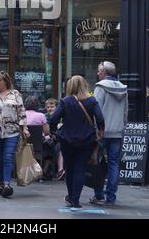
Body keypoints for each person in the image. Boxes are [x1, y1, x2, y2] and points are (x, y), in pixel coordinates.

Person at [50, 75, 105, 209]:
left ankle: (70, 196)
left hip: (67, 140)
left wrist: (53, 132)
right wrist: (101, 132)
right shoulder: (92, 101)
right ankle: (75, 199)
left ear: (70, 86)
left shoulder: (65, 101)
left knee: (69, 168)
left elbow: (53, 119)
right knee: (80, 169)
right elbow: (100, 118)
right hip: (86, 140)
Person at [0, 70, 30, 197]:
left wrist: (25, 128)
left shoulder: (15, 94)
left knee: (8, 156)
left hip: (12, 131)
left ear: (6, 81)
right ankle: (0, 183)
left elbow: (22, 112)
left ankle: (6, 184)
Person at [89, 61, 128, 206]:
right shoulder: (123, 88)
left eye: (99, 71)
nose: (98, 73)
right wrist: (122, 127)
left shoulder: (100, 87)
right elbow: (125, 112)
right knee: (113, 164)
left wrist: (95, 129)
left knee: (97, 163)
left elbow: (96, 110)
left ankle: (98, 194)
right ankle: (111, 197)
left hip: (102, 131)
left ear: (104, 73)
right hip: (117, 132)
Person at [44, 98, 65, 181]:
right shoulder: (45, 116)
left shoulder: (60, 116)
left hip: (57, 139)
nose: (50, 109)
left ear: (57, 107)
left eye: (52, 107)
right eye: (48, 107)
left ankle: (60, 170)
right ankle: (45, 171)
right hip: (48, 139)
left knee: (60, 147)